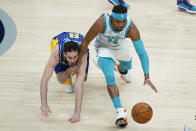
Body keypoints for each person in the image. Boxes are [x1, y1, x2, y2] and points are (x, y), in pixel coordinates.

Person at [67, 5, 158, 128]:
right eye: (117, 21)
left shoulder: (131, 28)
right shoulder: (101, 23)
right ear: (111, 19)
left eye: (123, 21)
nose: (121, 24)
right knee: (110, 77)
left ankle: (122, 69)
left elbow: (142, 53)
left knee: (126, 66)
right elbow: (86, 41)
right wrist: (77, 64)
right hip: (104, 48)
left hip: (121, 46)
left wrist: (147, 76)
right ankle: (120, 112)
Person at [40, 32, 89, 123]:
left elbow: (79, 86)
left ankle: (72, 70)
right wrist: (44, 105)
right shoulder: (56, 54)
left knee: (84, 79)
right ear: (64, 54)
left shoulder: (83, 54)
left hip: (80, 47)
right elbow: (44, 80)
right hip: (57, 41)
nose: (73, 60)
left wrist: (77, 113)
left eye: (75, 57)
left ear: (78, 54)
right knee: (61, 79)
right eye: (69, 58)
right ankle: (68, 74)